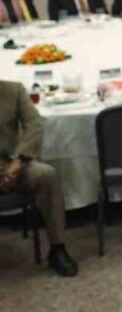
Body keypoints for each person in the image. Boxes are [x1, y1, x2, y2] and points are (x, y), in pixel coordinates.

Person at [0, 80, 77, 275]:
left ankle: (57, 248)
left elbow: (34, 124)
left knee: (46, 175)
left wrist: (18, 161)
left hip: (13, 163)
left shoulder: (13, 90)